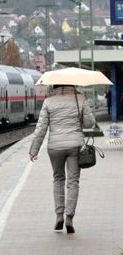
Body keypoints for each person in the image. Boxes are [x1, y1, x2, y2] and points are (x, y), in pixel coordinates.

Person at [28, 85, 94, 234]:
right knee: (73, 181)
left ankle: (59, 216)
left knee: (58, 179)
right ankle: (69, 217)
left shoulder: (48, 102)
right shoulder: (80, 99)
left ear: (55, 86)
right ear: (72, 85)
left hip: (55, 147)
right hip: (75, 146)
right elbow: (89, 123)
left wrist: (33, 151)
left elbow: (41, 129)